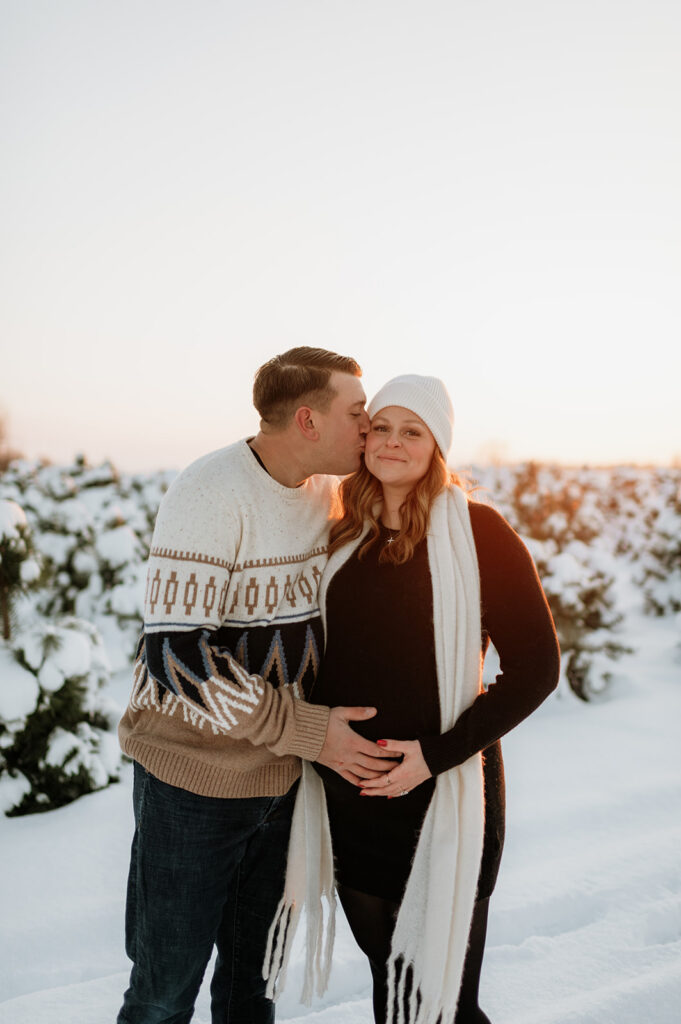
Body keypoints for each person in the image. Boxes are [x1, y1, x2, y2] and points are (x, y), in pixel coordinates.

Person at [264, 375, 560, 1024]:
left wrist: (433, 756)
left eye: (412, 431)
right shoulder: (336, 536)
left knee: (444, 1003)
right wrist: (316, 739)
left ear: (437, 447)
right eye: (381, 428)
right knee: (392, 991)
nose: (392, 442)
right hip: (351, 799)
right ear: (363, 439)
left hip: (442, 797)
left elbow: (537, 668)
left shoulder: (479, 533)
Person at [116, 347, 398, 1024]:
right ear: (308, 420)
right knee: (162, 995)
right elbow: (176, 658)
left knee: (252, 988)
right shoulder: (209, 491)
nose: (368, 427)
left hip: (283, 786)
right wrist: (310, 733)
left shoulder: (326, 491)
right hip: (194, 786)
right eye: (356, 413)